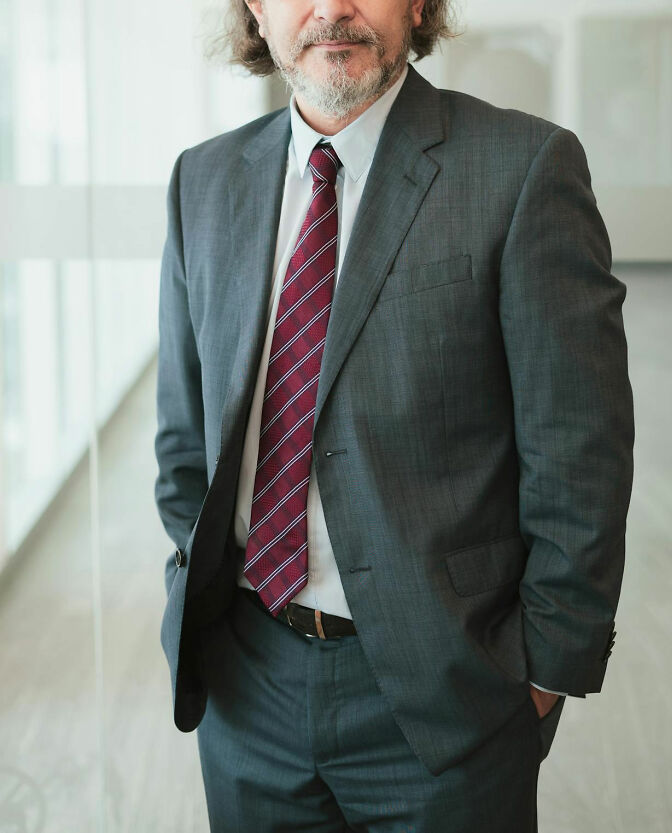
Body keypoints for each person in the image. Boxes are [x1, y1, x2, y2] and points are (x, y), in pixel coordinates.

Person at [154, 0, 635, 829]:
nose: (333, 8)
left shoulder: (522, 168)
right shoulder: (203, 179)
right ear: (257, 10)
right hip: (247, 681)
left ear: (418, 4)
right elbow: (184, 439)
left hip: (447, 693)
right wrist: (196, 602)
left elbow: (579, 449)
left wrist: (543, 671)